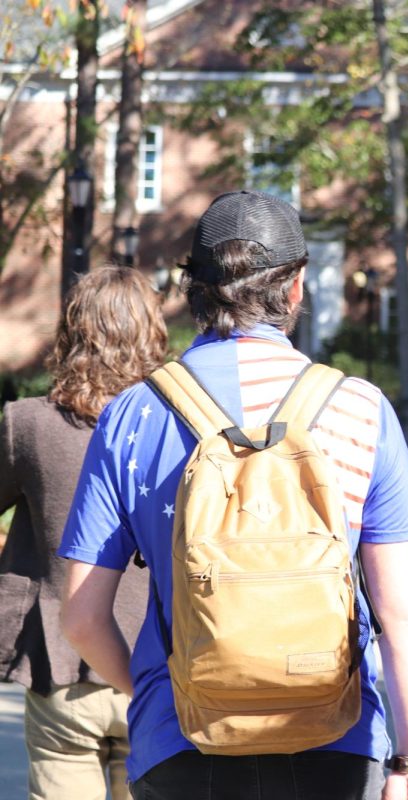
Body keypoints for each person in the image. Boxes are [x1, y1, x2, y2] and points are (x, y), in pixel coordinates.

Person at [57, 190, 408, 800]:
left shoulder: (134, 413)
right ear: (295, 288)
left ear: (194, 290)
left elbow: (80, 617)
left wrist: (162, 687)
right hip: (334, 739)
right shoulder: (360, 407)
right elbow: (400, 616)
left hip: (181, 743)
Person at [0, 267, 163, 800]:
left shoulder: (24, 424)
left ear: (70, 332)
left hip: (61, 662)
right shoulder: (178, 424)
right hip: (159, 665)